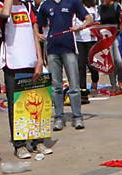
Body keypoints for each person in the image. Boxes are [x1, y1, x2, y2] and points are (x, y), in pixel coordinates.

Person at [0, 0, 48, 159]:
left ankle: (38, 141)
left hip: (31, 61)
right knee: (17, 105)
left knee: (38, 102)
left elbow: (34, 32)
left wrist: (39, 59)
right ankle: (20, 145)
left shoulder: (28, 6)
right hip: (13, 62)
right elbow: (4, 14)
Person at [37, 0, 92, 131]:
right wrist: (38, 35)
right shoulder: (45, 5)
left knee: (74, 85)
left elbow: (89, 18)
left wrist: (81, 26)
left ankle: (77, 117)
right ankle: (58, 117)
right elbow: (38, 25)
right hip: (52, 49)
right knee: (56, 86)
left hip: (69, 48)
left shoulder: (72, 2)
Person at [75, 0, 101, 102]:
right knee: (81, 65)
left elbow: (98, 22)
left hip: (91, 40)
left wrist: (95, 31)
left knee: (92, 64)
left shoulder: (94, 9)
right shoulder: (76, 8)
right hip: (79, 40)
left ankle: (95, 82)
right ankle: (83, 89)